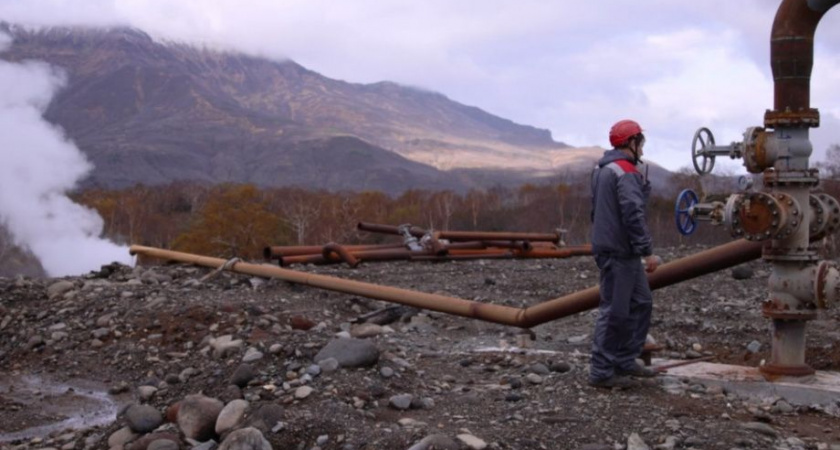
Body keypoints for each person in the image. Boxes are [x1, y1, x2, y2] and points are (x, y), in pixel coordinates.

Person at [588, 119, 660, 389]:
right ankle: (602, 371)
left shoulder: (602, 168)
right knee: (616, 311)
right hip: (620, 251)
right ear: (632, 142)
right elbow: (633, 214)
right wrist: (647, 251)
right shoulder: (626, 171)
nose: (642, 147)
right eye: (640, 141)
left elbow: (595, 210)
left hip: (615, 249)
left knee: (641, 302)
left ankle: (625, 359)